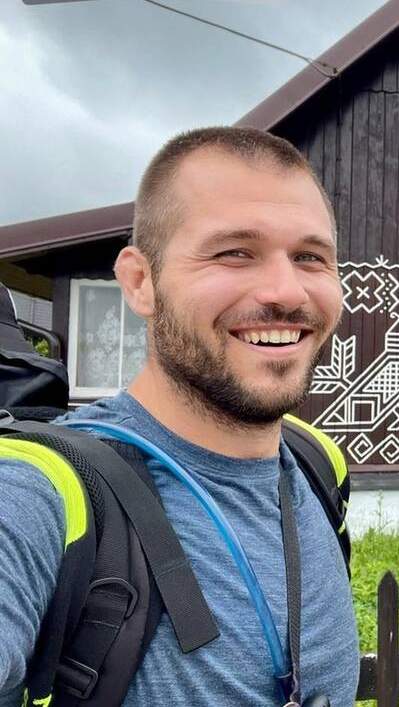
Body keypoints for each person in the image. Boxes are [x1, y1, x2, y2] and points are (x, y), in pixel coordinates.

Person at [0, 127, 359, 706]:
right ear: (141, 282)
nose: (286, 291)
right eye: (234, 252)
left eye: (310, 257)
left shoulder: (318, 465)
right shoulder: (41, 496)